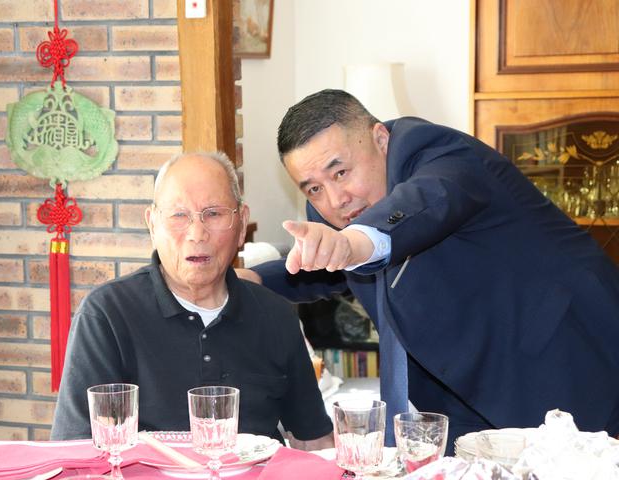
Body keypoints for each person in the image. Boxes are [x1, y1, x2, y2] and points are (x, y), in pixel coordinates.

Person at [244, 89, 619, 447]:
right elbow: (328, 264)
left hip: (570, 362)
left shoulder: (437, 153)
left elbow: (428, 203)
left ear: (381, 139)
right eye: (313, 188)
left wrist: (351, 243)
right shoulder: (334, 210)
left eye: (340, 172)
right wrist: (253, 281)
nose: (335, 199)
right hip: (460, 394)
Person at [51, 152, 334, 449]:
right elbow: (74, 451)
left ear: (241, 224)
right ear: (152, 224)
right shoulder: (107, 314)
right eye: (178, 215)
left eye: (214, 214)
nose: (197, 234)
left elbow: (313, 441)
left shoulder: (276, 315)